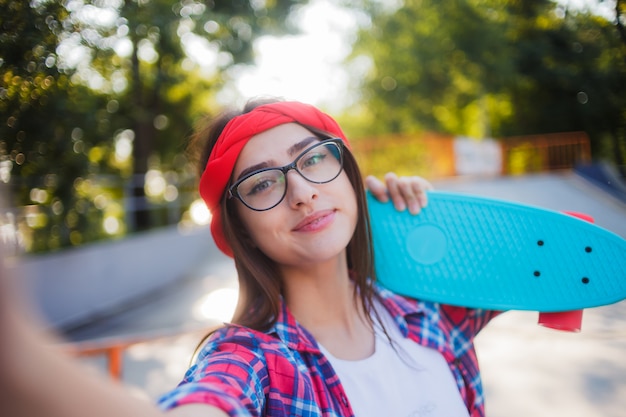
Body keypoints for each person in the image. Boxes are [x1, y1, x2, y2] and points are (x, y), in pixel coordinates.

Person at [0, 98, 499, 417]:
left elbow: (572, 265)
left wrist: (438, 227)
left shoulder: (428, 308)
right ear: (242, 231)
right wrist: (19, 359)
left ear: (348, 173)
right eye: (262, 183)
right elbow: (209, 402)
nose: (302, 192)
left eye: (315, 158)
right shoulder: (255, 361)